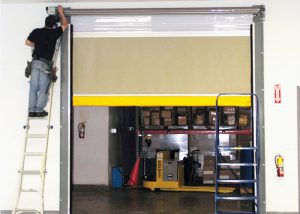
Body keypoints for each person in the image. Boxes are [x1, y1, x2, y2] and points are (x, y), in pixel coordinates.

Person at [25, 5, 68, 117]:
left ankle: (31, 110)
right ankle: (39, 110)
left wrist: (38, 44)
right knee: (43, 89)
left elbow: (27, 43)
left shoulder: (36, 31)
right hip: (45, 65)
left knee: (33, 88)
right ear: (54, 25)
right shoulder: (55, 33)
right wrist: (61, 12)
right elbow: (65, 25)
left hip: (35, 63)